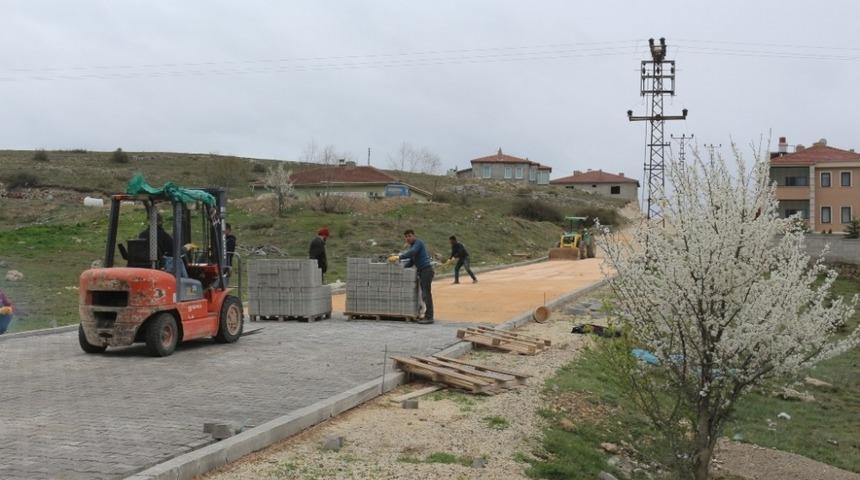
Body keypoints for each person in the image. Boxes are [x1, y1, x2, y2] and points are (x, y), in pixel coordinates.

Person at [389, 229, 434, 324]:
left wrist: (399, 257)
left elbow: (412, 252)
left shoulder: (418, 243)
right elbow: (411, 262)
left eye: (409, 236)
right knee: (424, 295)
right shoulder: (413, 246)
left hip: (426, 271)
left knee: (426, 294)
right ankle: (427, 316)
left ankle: (429, 317)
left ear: (414, 236)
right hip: (422, 272)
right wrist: (401, 268)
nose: (408, 238)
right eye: (406, 237)